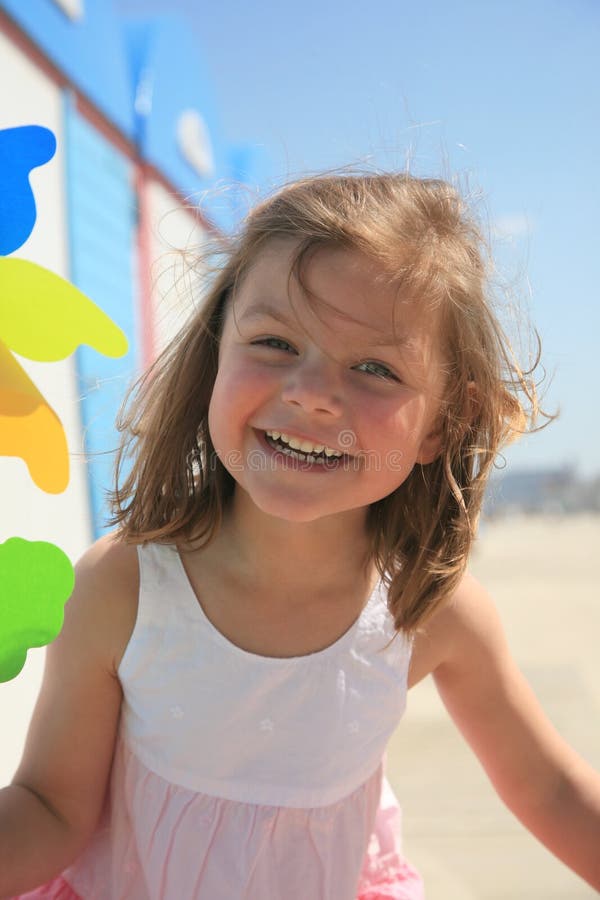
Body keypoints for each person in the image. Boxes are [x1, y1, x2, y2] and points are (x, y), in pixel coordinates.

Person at [1, 173, 599, 900]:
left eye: (375, 368)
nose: (312, 391)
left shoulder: (426, 609)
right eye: (276, 342)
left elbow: (550, 790)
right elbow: (51, 809)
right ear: (218, 351)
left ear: (442, 423)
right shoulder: (123, 587)